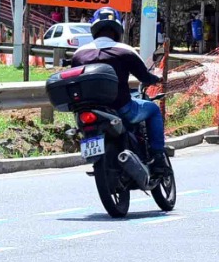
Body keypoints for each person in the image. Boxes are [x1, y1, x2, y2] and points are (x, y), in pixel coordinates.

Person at [70, 19, 168, 168]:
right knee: (153, 110)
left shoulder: (79, 54)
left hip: (88, 111)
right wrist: (156, 79)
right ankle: (158, 154)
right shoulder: (125, 50)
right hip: (121, 107)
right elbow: (144, 76)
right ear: (117, 32)